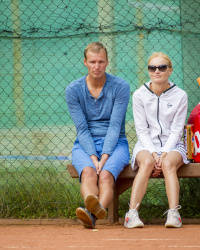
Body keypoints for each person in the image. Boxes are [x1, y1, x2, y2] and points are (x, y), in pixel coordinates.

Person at [65, 42, 130, 229]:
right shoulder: (73, 89)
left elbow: (115, 125)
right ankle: (95, 212)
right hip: (85, 144)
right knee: (88, 172)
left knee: (106, 176)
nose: (97, 66)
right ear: (85, 62)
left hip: (116, 143)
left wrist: (105, 156)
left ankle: (92, 215)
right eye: (92, 61)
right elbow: (82, 128)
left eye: (101, 61)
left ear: (107, 62)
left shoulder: (120, 87)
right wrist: (93, 157)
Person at [124, 52, 189, 229]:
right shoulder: (139, 95)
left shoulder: (180, 95)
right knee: (146, 162)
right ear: (149, 70)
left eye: (162, 67)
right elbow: (141, 130)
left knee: (168, 164)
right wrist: (153, 153)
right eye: (152, 68)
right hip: (147, 145)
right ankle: (132, 214)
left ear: (170, 70)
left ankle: (174, 214)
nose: (157, 71)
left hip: (173, 145)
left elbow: (177, 130)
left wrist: (164, 153)